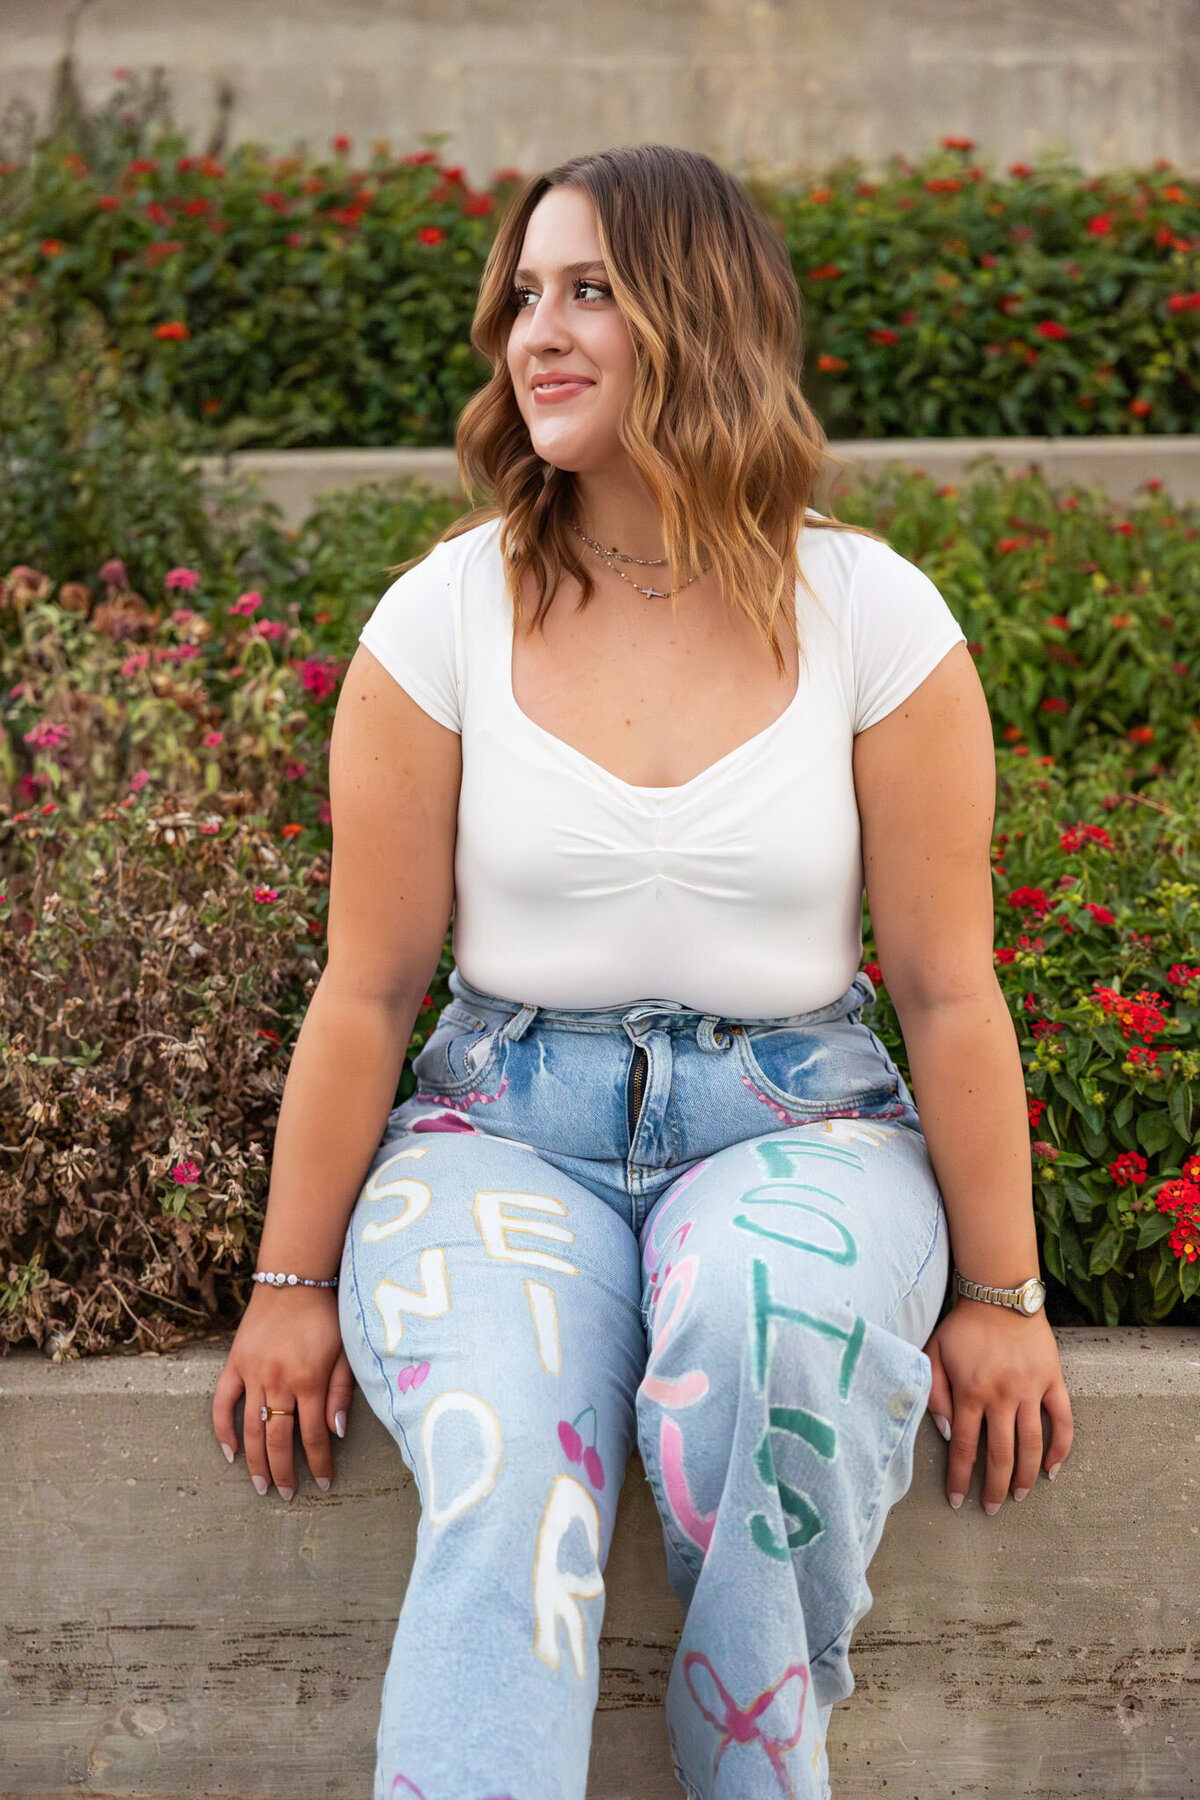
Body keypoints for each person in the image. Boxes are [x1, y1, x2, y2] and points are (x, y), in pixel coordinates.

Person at [212, 143, 1075, 1800]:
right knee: (504, 1447)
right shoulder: (442, 618)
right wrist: (288, 1285)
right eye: (525, 295)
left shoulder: (872, 614)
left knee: (773, 1337)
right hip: (495, 1137)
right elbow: (369, 991)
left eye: (591, 290)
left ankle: (754, 1767)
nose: (538, 331)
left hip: (797, 1127)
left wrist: (1002, 1295)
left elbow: (951, 989)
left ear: (704, 316)